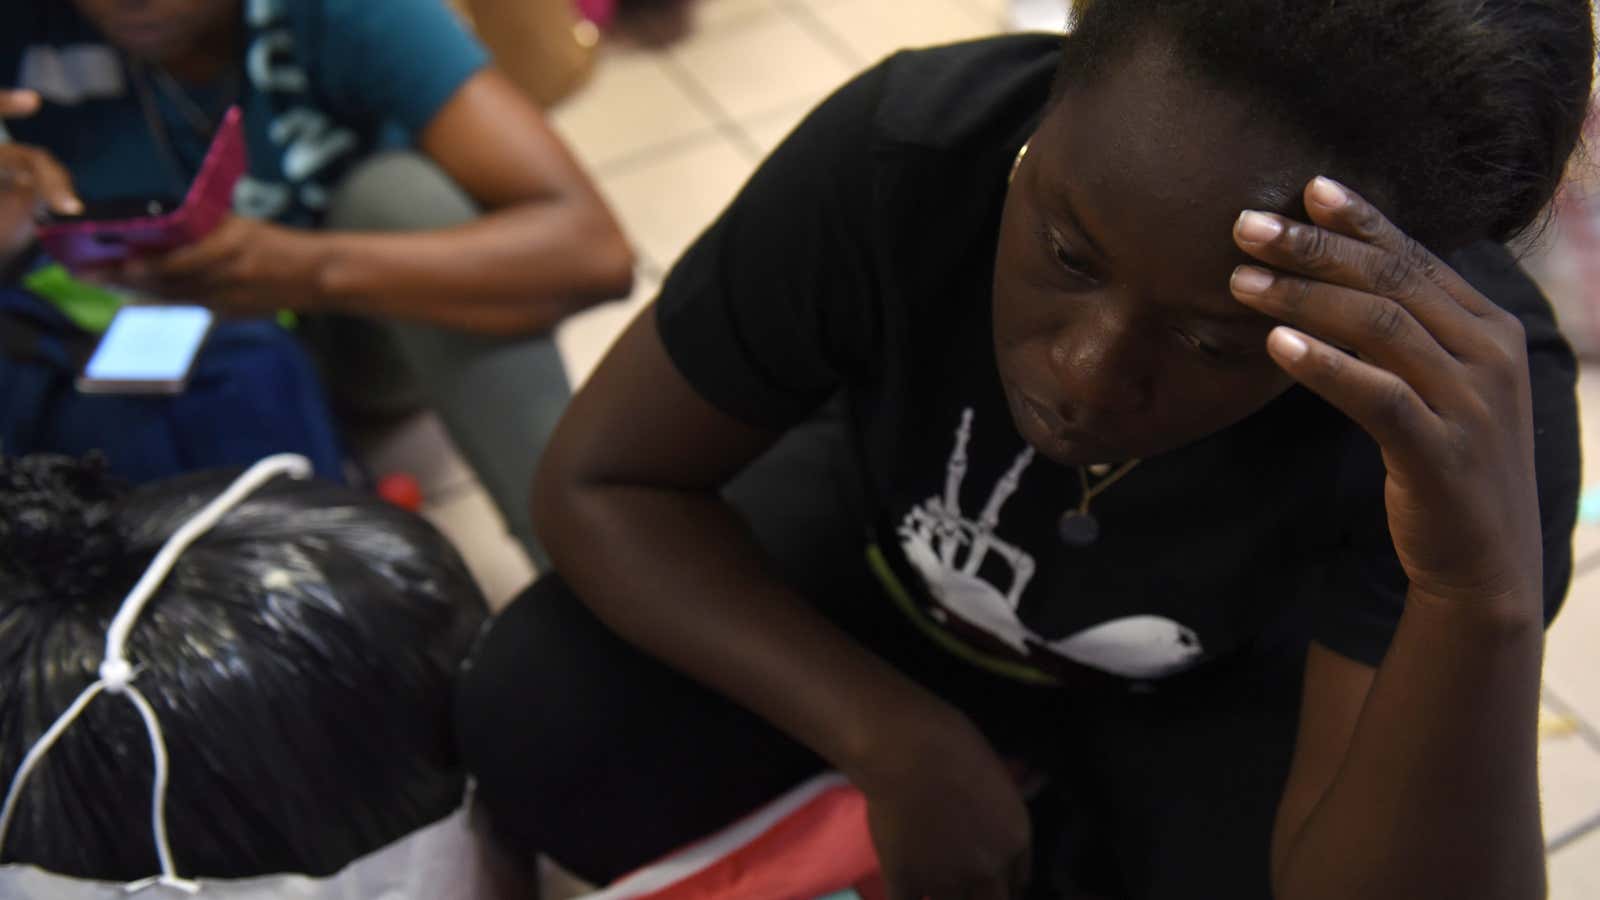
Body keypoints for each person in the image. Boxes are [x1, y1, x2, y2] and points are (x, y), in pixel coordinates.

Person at [459, 1, 1595, 898]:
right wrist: (893, 739)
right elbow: (601, 481)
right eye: (1065, 249)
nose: (1086, 376)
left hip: (1214, 705)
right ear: (1056, 86)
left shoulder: (1458, 421)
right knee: (543, 711)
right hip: (884, 576)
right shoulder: (909, 150)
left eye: (1215, 338)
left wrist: (1474, 601)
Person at [0, 0, 635, 566]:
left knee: (402, 200)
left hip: (345, 341)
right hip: (122, 384)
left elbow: (593, 251)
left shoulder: (345, 12)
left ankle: (599, 575)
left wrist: (307, 269)